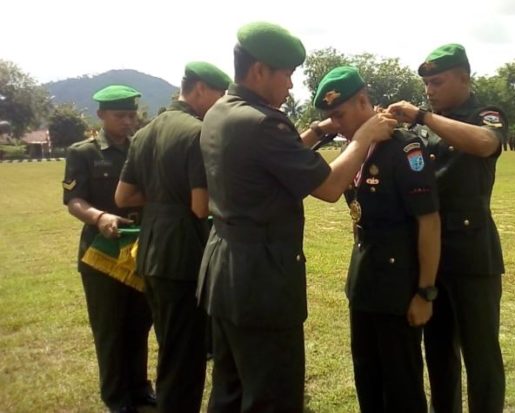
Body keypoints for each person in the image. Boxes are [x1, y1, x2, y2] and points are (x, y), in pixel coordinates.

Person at [197, 21, 397, 413]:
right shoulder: (264, 122)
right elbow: (326, 186)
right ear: (259, 71)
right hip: (261, 283)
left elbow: (270, 159)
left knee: (230, 390)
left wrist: (319, 130)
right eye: (286, 74)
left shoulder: (222, 112)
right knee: (273, 396)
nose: (290, 85)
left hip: (225, 272)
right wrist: (363, 137)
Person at [387, 43, 507, 413]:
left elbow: (486, 144)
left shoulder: (484, 115)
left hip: (473, 255)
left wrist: (422, 116)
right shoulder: (425, 127)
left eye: (437, 82)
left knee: (480, 352)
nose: (429, 90)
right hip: (431, 257)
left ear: (464, 78)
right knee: (439, 353)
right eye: (426, 84)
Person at [314, 66, 441, 413]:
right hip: (365, 281)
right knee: (367, 378)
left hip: (399, 287)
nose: (336, 124)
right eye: (331, 117)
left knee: (402, 385)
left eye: (339, 114)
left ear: (363, 101)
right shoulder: (356, 149)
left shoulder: (404, 147)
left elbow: (428, 222)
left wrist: (425, 292)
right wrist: (327, 129)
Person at [115, 62, 231, 412]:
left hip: (150, 252)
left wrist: (164, 199)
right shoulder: (196, 132)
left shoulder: (146, 133)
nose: (221, 102)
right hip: (183, 255)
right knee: (186, 356)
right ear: (199, 89)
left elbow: (124, 197)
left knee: (169, 346)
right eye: (218, 94)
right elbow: (199, 207)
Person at [62, 85, 154, 413]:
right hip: (101, 253)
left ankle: (141, 388)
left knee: (139, 323)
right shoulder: (84, 152)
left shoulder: (141, 148)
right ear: (101, 115)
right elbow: (74, 201)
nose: (128, 122)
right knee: (109, 327)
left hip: (138, 249)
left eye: (132, 115)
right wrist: (99, 217)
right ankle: (117, 398)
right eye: (120, 116)